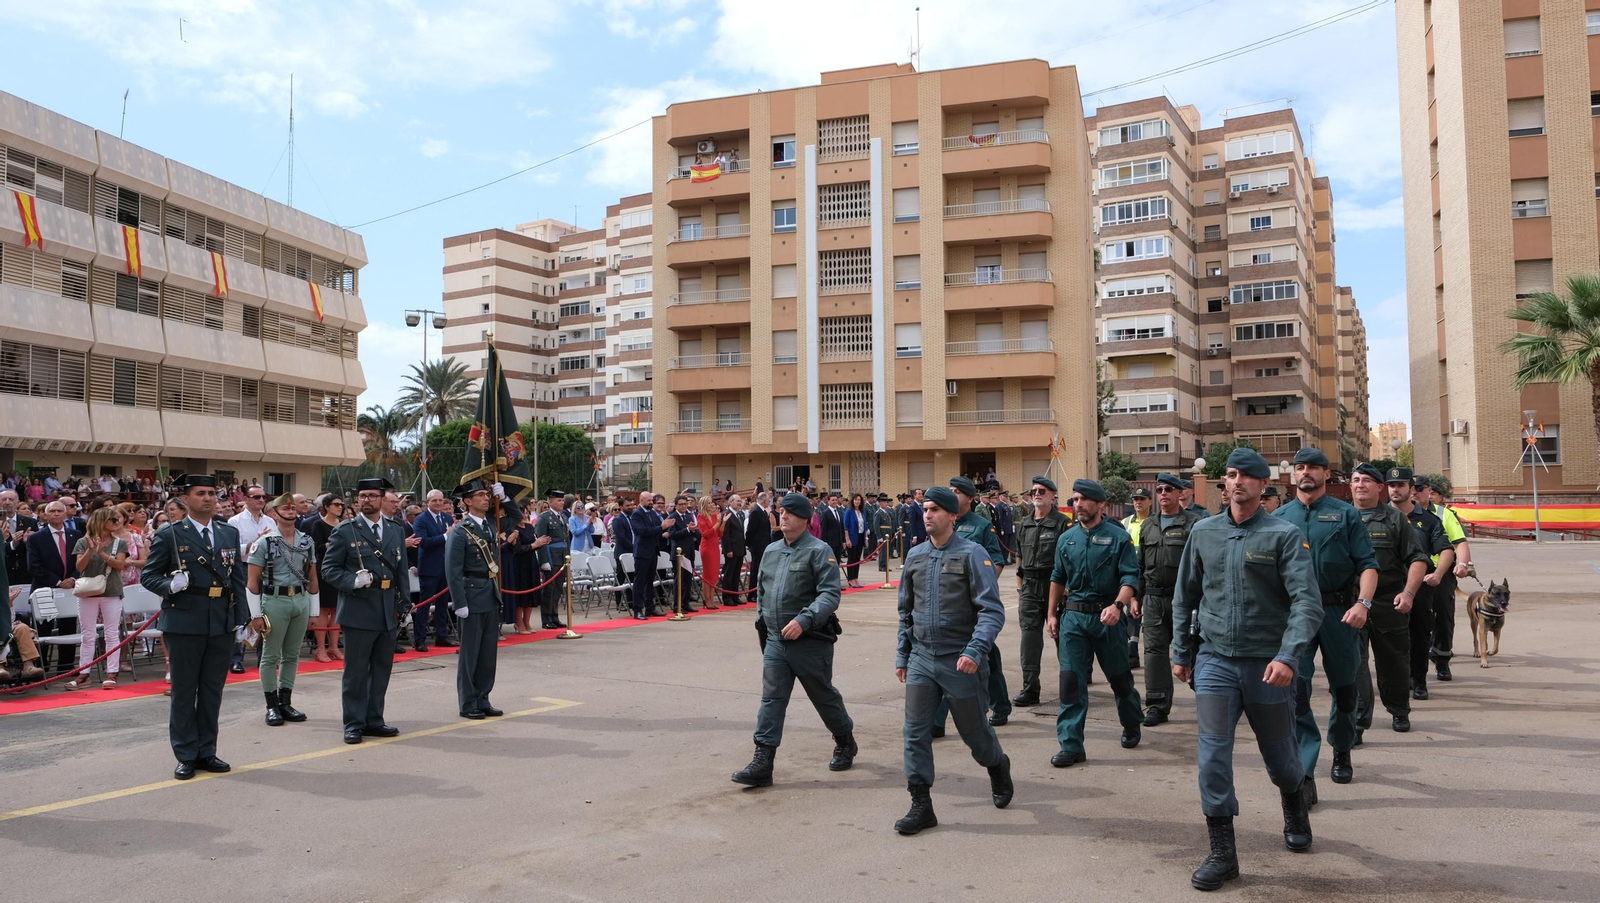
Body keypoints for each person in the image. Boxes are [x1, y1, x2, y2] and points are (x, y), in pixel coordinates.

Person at [1169, 447, 1324, 890]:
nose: (1235, 482)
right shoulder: (1205, 532)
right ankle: (1223, 853)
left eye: (1245, 476)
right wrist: (1182, 652)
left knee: (1280, 757)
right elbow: (1185, 596)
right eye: (1230, 475)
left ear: (1261, 485)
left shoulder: (1284, 535)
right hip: (1216, 660)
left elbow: (1306, 603)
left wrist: (1288, 655)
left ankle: (1294, 805)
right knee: (1212, 756)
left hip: (1267, 664)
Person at [893, 485, 1012, 834]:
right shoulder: (915, 556)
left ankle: (997, 766)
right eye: (925, 509)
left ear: (952, 515)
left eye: (934, 510)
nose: (927, 514)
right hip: (921, 658)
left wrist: (975, 650)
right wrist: (903, 654)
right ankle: (921, 804)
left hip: (960, 659)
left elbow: (991, 611)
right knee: (915, 732)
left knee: (974, 734)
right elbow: (906, 612)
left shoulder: (973, 554)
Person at [731, 492, 856, 788]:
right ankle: (763, 761)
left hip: (810, 640)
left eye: (789, 513)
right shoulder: (772, 551)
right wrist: (762, 619)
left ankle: (845, 740)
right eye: (780, 511)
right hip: (775, 639)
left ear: (805, 519)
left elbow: (830, 594)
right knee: (771, 700)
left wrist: (804, 619)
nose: (782, 516)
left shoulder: (819, 550)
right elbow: (761, 589)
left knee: (822, 695)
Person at [1274, 447, 1378, 797]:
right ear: (1293, 474)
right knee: (1296, 693)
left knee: (1345, 689)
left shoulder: (1346, 515)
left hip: (1339, 612)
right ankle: (1305, 772)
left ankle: (1343, 749)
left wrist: (1363, 603)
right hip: (1295, 616)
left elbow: (1367, 564)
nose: (1306, 473)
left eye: (1313, 468)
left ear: (1326, 474)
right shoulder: (1280, 516)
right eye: (1300, 467)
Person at [141, 474, 249, 780]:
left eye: (212, 493)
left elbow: (236, 579)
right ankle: (186, 754)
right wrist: (169, 584)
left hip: (220, 620)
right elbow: (150, 576)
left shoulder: (228, 532)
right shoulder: (170, 534)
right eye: (200, 493)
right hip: (185, 619)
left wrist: (241, 617)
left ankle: (207, 751)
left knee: (213, 690)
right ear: (186, 500)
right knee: (185, 691)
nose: (208, 498)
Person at [1045, 478, 1143, 766]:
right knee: (1071, 682)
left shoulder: (1118, 537)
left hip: (1108, 617)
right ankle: (1071, 744)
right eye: (1075, 499)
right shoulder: (1067, 539)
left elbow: (1130, 578)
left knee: (1120, 679)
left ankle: (1131, 722)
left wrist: (1118, 605)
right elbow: (1057, 578)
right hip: (1074, 617)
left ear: (1101, 504)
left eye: (1085, 499)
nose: (1078, 504)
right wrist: (1051, 614)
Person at [318, 477, 408, 745]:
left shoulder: (395, 529)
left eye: (372, 495)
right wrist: (351, 581)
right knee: (356, 672)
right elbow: (329, 569)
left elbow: (401, 569)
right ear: (357, 500)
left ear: (382, 499)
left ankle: (374, 719)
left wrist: (404, 604)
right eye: (363, 496)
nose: (367, 500)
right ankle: (354, 723)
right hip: (359, 607)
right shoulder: (346, 530)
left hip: (387, 609)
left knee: (381, 669)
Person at [1348, 464, 1430, 739]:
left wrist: (1408, 593)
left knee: (1393, 662)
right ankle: (1358, 723)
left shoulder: (1395, 520)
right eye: (1356, 480)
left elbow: (1418, 559)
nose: (1361, 485)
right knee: (1354, 666)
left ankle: (1399, 710)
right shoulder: (1339, 517)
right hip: (1350, 603)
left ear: (1379, 487)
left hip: (1387, 601)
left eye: (1367, 480)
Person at [933, 476, 1010, 731]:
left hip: (973, 603)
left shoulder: (981, 526)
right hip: (946, 602)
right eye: (950, 490)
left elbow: (997, 560)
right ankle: (936, 721)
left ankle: (1000, 706)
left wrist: (981, 589)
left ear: (970, 498)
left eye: (958, 492)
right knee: (943, 659)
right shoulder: (943, 521)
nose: (953, 495)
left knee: (987, 656)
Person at [1136, 473, 1205, 727]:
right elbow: (1140, 565)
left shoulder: (1194, 524)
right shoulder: (1148, 525)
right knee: (1153, 652)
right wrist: (1136, 597)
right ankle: (1157, 705)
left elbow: (1201, 566)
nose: (1163, 493)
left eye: (1168, 489)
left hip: (1184, 598)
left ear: (1180, 493)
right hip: (1153, 598)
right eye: (1160, 489)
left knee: (1193, 648)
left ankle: (1209, 698)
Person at [245, 493, 320, 726]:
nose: (290, 511)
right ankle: (272, 705)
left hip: (300, 599)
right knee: (270, 656)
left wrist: (314, 610)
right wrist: (256, 615)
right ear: (273, 514)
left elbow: (312, 576)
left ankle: (286, 702)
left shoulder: (306, 541)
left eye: (292, 508)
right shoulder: (264, 542)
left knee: (292, 654)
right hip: (274, 600)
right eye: (284, 508)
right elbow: (252, 582)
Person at [1389, 472, 1454, 710]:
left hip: (1420, 588)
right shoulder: (1377, 517)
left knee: (1419, 635)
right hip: (1387, 589)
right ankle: (1398, 680)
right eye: (1391, 485)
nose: (1395, 489)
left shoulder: (1428, 520)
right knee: (1391, 639)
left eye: (1401, 485)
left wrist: (1438, 573)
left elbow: (1446, 549)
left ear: (1411, 489)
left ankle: (1419, 680)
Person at [448, 480, 508, 719]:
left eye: (487, 494)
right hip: (471, 595)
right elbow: (453, 570)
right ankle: (468, 702)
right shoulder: (460, 532)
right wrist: (459, 602)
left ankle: (483, 697)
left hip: (490, 593)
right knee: (470, 653)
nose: (486, 498)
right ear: (467, 501)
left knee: (487, 653)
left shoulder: (489, 527)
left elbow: (512, 518)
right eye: (480, 495)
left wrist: (505, 499)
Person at [1011, 476, 1072, 708]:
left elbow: (1070, 559)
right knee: (1029, 640)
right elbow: (1019, 557)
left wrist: (1067, 589)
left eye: (1042, 491)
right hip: (1030, 588)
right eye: (1034, 490)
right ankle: (1030, 688)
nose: (1037, 494)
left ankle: (1069, 688)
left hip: (1055, 586)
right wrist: (1019, 588)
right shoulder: (1025, 523)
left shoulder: (1062, 524)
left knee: (1063, 639)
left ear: (1053, 496)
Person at [67, 506, 131, 689]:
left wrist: (102, 552)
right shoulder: (82, 541)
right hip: (88, 592)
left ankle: (112, 673)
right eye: (112, 519)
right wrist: (90, 550)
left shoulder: (119, 543)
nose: (116, 522)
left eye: (116, 519)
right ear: (101, 521)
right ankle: (84, 673)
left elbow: (119, 565)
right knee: (87, 634)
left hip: (111, 591)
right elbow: (80, 568)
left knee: (111, 633)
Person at [1416, 476, 1470, 685]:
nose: (1414, 492)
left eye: (1419, 488)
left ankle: (1441, 659)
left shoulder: (1443, 514)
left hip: (1441, 571)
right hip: (1411, 573)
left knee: (1443, 617)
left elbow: (1460, 543)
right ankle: (1413, 667)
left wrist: (1463, 565)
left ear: (1428, 491)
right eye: (1410, 488)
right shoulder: (1399, 513)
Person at [26, 499, 81, 674]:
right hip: (45, 590)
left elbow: (82, 562)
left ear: (65, 514)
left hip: (71, 589)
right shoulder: (36, 538)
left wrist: (73, 578)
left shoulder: (76, 535)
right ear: (45, 515)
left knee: (68, 627)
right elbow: (33, 566)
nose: (56, 514)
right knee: (43, 630)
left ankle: (66, 668)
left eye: (59, 511)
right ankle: (41, 668)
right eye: (52, 511)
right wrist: (58, 582)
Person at [411, 490, 456, 652]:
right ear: (427, 502)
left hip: (445, 567)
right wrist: (445, 536)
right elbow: (424, 542)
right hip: (429, 568)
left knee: (443, 605)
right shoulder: (421, 519)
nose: (438, 503)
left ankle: (442, 636)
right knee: (425, 605)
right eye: (434, 500)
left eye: (440, 500)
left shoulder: (447, 518)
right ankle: (420, 639)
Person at [309, 494, 345, 663]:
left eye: (341, 505)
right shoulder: (319, 524)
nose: (340, 507)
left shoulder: (344, 524)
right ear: (326, 506)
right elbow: (314, 546)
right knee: (324, 609)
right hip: (324, 568)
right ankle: (321, 648)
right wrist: (329, 545)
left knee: (337, 609)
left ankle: (334, 647)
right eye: (336, 504)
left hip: (341, 569)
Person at [533, 489, 571, 629]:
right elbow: (541, 539)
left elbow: (566, 538)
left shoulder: (563, 517)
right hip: (551, 556)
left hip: (562, 557)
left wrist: (568, 556)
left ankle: (554, 616)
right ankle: (546, 618)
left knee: (558, 589)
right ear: (550, 501)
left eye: (562, 500)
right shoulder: (544, 517)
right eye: (558, 500)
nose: (561, 503)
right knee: (549, 589)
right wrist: (544, 561)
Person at [628, 492, 669, 619]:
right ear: (641, 500)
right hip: (642, 552)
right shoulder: (637, 514)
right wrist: (661, 527)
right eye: (649, 500)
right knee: (640, 582)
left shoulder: (652, 513)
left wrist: (664, 526)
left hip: (652, 551)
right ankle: (638, 609)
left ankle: (650, 607)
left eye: (652, 500)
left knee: (650, 582)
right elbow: (643, 531)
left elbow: (657, 528)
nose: (651, 502)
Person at [745, 492, 773, 599]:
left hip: (764, 544)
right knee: (755, 570)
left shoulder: (763, 511)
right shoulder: (756, 511)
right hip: (757, 546)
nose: (769, 502)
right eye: (768, 500)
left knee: (761, 569)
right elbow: (751, 530)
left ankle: (758, 591)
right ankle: (752, 594)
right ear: (764, 500)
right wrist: (748, 543)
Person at [697, 496, 722, 610]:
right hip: (707, 547)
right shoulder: (701, 516)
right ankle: (707, 600)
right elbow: (706, 534)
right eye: (709, 504)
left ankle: (711, 599)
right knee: (707, 575)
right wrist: (717, 523)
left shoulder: (714, 516)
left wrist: (723, 522)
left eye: (712, 503)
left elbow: (720, 534)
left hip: (715, 546)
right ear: (704, 505)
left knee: (714, 575)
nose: (712, 505)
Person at [720, 495, 746, 606]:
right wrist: (728, 549)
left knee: (736, 574)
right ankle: (727, 597)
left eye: (740, 501)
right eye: (737, 501)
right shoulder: (726, 514)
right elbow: (725, 534)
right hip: (731, 549)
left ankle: (735, 595)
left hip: (740, 548)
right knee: (729, 574)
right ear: (731, 502)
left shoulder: (740, 514)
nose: (740, 503)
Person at [843, 494, 868, 588]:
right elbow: (846, 526)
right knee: (851, 558)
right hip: (852, 537)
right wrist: (847, 539)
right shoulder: (849, 511)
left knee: (857, 559)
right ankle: (850, 579)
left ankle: (855, 577)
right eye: (855, 500)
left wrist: (866, 538)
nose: (857, 501)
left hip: (861, 536)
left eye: (859, 500)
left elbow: (864, 525)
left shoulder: (862, 511)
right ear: (852, 501)